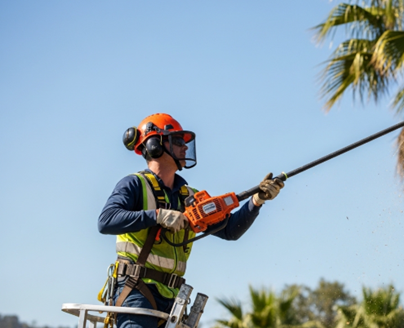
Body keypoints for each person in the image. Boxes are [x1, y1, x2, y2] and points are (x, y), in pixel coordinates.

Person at [98, 113, 284, 328]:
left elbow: (230, 230)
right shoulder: (133, 184)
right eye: (177, 141)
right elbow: (106, 221)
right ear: (154, 145)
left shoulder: (189, 197)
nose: (185, 147)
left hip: (172, 299)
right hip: (136, 290)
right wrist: (157, 215)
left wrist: (256, 201)